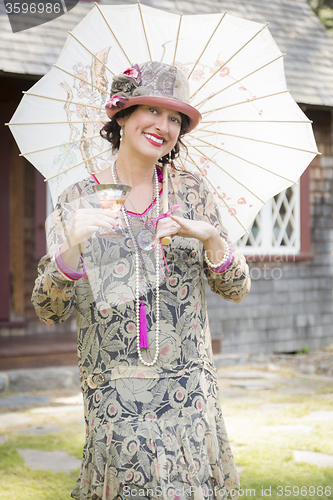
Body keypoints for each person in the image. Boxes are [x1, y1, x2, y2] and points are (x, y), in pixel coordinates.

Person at [32, 61, 251, 500]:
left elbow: (237, 288)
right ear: (122, 116)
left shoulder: (191, 192)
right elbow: (48, 309)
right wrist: (72, 248)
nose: (163, 125)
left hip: (189, 393)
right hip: (115, 393)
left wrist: (208, 236)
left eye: (175, 118)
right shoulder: (79, 199)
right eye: (151, 110)